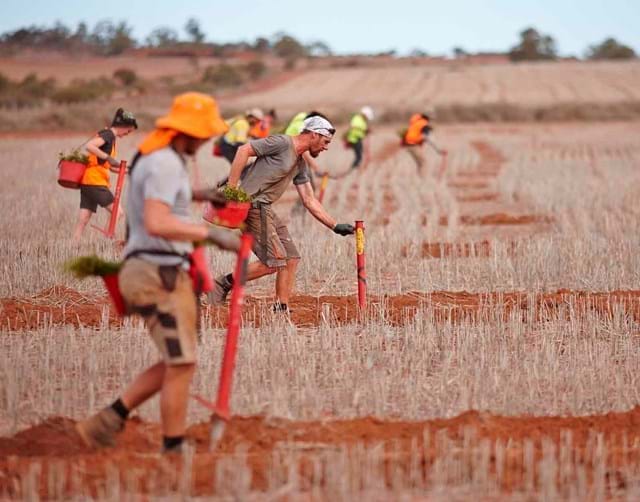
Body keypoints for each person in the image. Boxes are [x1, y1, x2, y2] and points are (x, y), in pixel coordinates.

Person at [75, 92, 240, 454]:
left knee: (179, 360)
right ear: (188, 131)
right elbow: (157, 221)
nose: (206, 140)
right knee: (181, 362)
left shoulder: (160, 156)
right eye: (203, 134)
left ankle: (108, 421)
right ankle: (173, 446)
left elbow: (163, 195)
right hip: (155, 272)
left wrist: (200, 194)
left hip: (160, 270)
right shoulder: (164, 161)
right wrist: (210, 235)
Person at [211, 115, 355, 313]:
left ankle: (281, 307)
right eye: (325, 141)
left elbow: (309, 200)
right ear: (314, 135)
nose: (326, 147)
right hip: (251, 206)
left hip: (264, 208)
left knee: (291, 258)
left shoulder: (300, 164)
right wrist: (231, 189)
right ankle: (222, 284)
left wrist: (335, 225)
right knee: (272, 263)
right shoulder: (281, 143)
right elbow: (244, 150)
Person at [72, 108, 138, 242]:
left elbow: (109, 166)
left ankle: (74, 244)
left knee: (84, 218)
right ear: (122, 125)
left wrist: (128, 170)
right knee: (117, 212)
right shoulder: (108, 135)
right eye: (128, 131)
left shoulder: (110, 138)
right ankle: (105, 242)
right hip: (95, 181)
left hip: (88, 181)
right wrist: (108, 157)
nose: (127, 134)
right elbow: (90, 146)